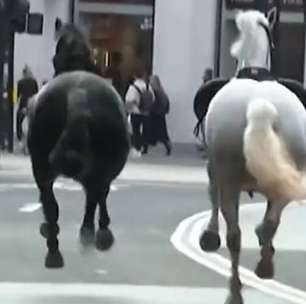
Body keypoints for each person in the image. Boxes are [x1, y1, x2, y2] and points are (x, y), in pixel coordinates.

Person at [125, 66, 155, 156]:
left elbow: (129, 100)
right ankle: (145, 147)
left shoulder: (133, 87)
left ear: (134, 76)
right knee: (146, 130)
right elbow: (153, 98)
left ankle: (137, 147)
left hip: (136, 111)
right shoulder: (148, 86)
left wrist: (128, 109)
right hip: (146, 111)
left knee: (136, 130)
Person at [149, 75, 172, 155]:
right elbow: (166, 103)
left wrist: (151, 108)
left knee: (157, 131)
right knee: (162, 132)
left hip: (156, 114)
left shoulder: (155, 91)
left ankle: (146, 146)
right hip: (161, 114)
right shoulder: (161, 91)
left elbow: (154, 102)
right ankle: (167, 145)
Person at [16, 65, 38, 142]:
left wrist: (12, 101)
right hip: (32, 104)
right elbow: (37, 93)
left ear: (23, 74)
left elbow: (17, 95)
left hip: (23, 104)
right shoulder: (34, 81)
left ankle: (20, 138)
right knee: (32, 123)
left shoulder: (20, 82)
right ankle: (33, 138)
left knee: (19, 121)